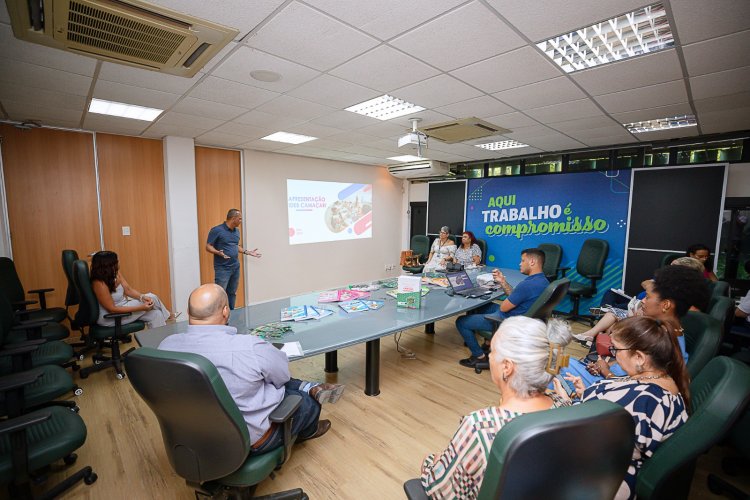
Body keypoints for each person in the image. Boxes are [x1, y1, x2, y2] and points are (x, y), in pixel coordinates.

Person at [158, 284, 345, 454]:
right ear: (225, 311)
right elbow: (281, 376)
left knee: (257, 379)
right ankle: (309, 420)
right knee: (305, 403)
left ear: (189, 312)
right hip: (246, 439)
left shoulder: (166, 346)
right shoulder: (249, 347)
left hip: (191, 434)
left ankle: (308, 385)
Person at [422, 317, 571, 498]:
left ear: (507, 367)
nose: (490, 356)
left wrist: (432, 464)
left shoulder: (480, 427)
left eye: (492, 351)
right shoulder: (565, 406)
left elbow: (441, 492)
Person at [554, 316, 690, 500]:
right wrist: (583, 394)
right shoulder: (655, 380)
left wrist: (566, 404)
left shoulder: (644, 401)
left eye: (616, 349)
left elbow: (592, 445)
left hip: (603, 481)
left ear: (639, 357)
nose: (613, 355)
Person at [563, 265, 709, 387]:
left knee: (551, 364)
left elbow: (635, 389)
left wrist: (606, 371)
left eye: (648, 297)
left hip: (607, 388)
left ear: (665, 305)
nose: (643, 301)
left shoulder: (663, 344)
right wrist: (603, 365)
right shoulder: (663, 331)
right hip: (606, 377)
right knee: (557, 361)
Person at [572, 257, 704, 344]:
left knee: (613, 323)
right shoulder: (666, 291)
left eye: (672, 269)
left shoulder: (666, 332)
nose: (667, 270)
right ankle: (600, 329)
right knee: (611, 300)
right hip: (636, 308)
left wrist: (608, 372)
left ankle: (601, 326)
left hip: (638, 316)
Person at [455, 248, 548, 368]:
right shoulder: (543, 281)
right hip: (520, 315)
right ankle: (488, 343)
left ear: (532, 262)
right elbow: (516, 296)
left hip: (508, 320)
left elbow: (504, 308)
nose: (520, 263)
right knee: (482, 306)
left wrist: (509, 298)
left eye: (522, 260)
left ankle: (479, 357)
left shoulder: (527, 285)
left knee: (461, 322)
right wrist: (503, 282)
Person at [90, 250, 170, 328]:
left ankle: (161, 340)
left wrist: (142, 297)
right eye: (116, 261)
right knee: (152, 297)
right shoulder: (99, 284)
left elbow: (128, 290)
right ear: (107, 265)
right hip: (110, 318)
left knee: (157, 314)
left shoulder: (115, 273)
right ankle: (169, 316)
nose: (118, 263)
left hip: (124, 308)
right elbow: (112, 309)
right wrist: (141, 307)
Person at [206, 209, 261, 309]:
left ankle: (231, 313)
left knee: (232, 292)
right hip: (223, 268)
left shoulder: (237, 231)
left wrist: (247, 252)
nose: (241, 221)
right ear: (233, 218)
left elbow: (236, 246)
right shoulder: (217, 230)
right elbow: (208, 246)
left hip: (235, 267)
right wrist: (217, 252)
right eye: (239, 219)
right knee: (220, 294)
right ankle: (219, 317)